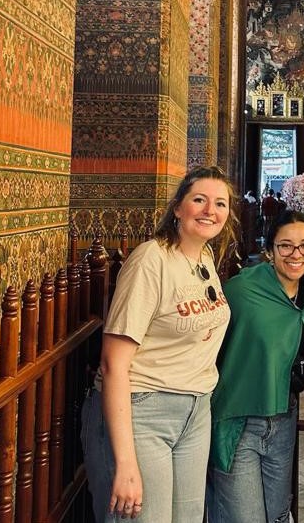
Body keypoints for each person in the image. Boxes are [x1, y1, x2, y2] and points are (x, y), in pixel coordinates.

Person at [81, 165, 239, 522]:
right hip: (143, 409)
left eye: (220, 204)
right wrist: (125, 462)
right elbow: (113, 364)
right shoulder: (151, 260)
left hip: (196, 410)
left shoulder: (204, 257)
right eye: (199, 200)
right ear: (178, 208)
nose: (209, 211)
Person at [207, 209, 304, 523]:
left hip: (284, 417)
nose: (296, 254)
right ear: (270, 251)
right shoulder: (241, 291)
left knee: (277, 514)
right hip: (239, 421)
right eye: (285, 246)